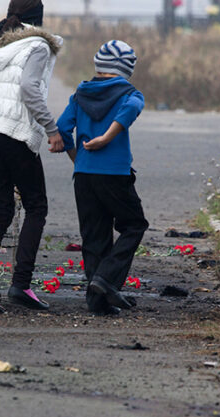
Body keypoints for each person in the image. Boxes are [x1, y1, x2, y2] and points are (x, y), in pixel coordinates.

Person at [0, 0, 65, 313]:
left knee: (2, 208)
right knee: (36, 205)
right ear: (39, 18)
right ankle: (20, 285)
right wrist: (52, 129)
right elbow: (30, 89)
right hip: (12, 131)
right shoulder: (37, 46)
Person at [53, 40, 149, 315]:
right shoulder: (129, 93)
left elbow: (61, 128)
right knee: (134, 224)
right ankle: (106, 279)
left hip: (84, 175)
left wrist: (78, 159)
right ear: (125, 69)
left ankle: (98, 304)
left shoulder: (80, 94)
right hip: (114, 174)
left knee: (94, 235)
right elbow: (131, 109)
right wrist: (107, 138)